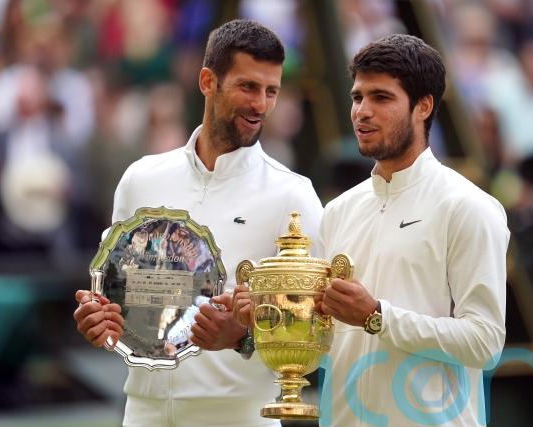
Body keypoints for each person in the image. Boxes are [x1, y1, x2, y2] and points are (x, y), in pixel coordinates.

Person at [235, 34, 509, 426]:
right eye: (357, 97)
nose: (362, 111)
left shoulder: (468, 207)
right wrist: (271, 319)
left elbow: (485, 343)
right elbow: (335, 348)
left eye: (381, 97)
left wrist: (377, 317)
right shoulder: (339, 211)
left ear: (423, 106)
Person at [72, 19, 323, 427]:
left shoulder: (293, 196)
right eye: (247, 86)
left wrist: (240, 339)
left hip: (241, 416)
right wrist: (98, 320)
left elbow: (318, 331)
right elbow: (115, 294)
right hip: (143, 412)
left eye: (271, 91)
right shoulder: (140, 178)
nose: (261, 104)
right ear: (207, 81)